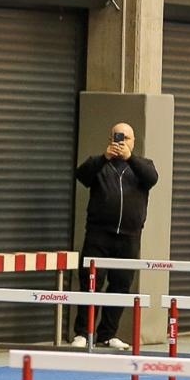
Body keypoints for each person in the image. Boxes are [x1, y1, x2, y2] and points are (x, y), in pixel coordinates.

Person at [70, 122, 158, 351]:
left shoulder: (142, 166)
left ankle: (107, 335)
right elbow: (82, 175)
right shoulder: (99, 165)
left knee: (121, 286)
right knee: (91, 283)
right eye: (117, 137)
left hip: (129, 237)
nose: (121, 142)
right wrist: (103, 157)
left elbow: (152, 178)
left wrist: (131, 158)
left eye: (126, 138)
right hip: (99, 235)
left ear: (133, 141)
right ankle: (82, 332)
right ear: (110, 139)